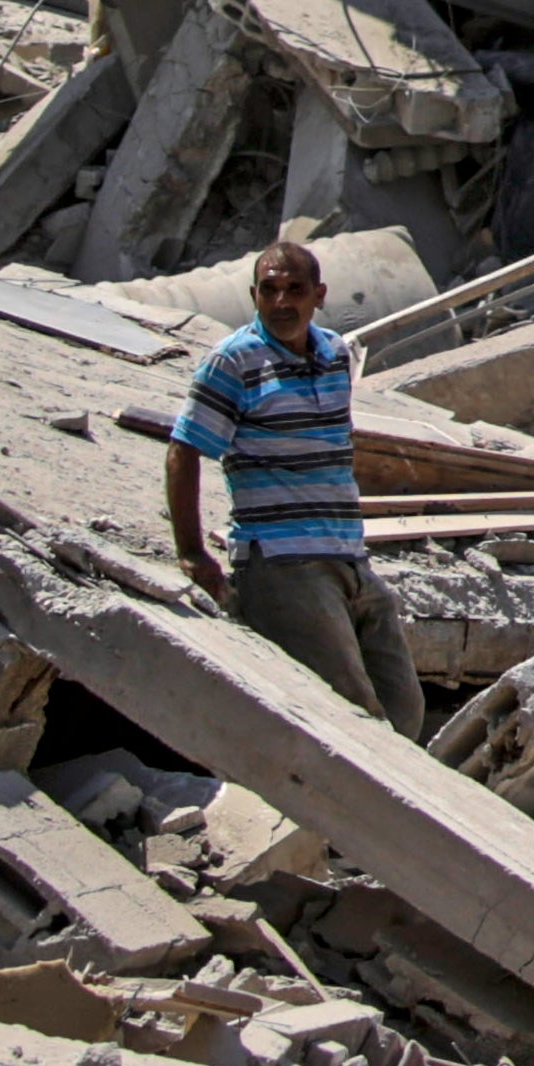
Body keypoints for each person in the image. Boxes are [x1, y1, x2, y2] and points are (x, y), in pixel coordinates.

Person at [167, 239, 426, 734]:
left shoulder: (333, 354)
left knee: (405, 710)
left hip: (348, 555)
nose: (282, 303)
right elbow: (184, 450)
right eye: (270, 290)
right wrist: (192, 551)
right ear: (254, 295)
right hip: (283, 562)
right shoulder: (233, 361)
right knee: (353, 716)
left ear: (319, 295)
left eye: (295, 290)